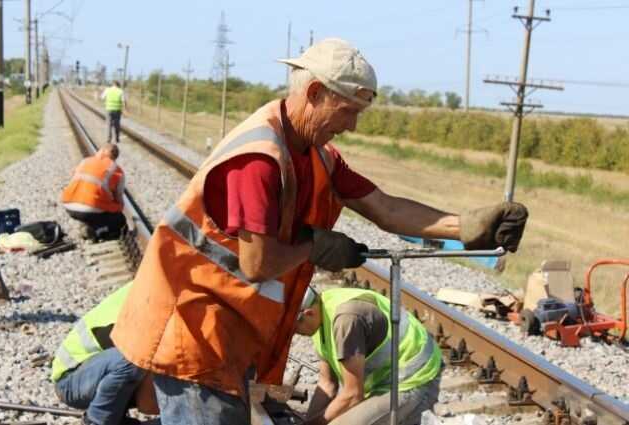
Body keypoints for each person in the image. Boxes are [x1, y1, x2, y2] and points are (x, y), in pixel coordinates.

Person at [110, 38, 528, 425]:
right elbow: (257, 264)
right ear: (314, 94)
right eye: (348, 111)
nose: (352, 126)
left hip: (229, 335)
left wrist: (468, 227)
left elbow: (384, 207)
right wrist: (316, 245)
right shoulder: (258, 159)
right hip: (193, 331)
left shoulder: (317, 155)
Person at [295, 286, 440, 425]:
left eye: (294, 328)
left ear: (309, 313)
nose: (293, 333)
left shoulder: (346, 320)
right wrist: (307, 422)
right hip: (385, 382)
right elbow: (327, 385)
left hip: (414, 379)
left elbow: (353, 395)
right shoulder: (319, 319)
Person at [51, 283, 158, 425]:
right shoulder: (148, 303)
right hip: (70, 380)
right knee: (132, 358)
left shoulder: (154, 287)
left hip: (95, 376)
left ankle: (115, 417)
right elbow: (147, 404)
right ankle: (96, 420)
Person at [61, 144, 127, 241]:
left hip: (69, 206)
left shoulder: (84, 161)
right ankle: (96, 230)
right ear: (114, 158)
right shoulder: (117, 170)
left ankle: (87, 223)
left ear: (100, 151)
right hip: (90, 210)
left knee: (97, 209)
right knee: (120, 220)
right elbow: (119, 199)